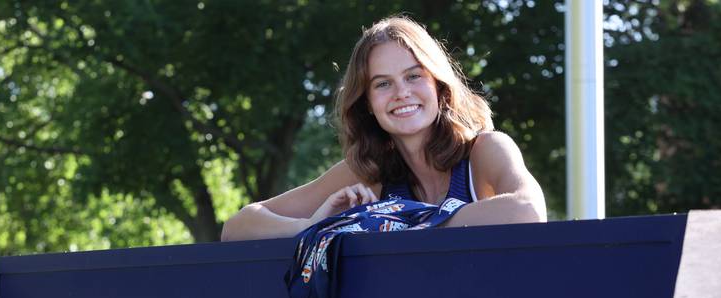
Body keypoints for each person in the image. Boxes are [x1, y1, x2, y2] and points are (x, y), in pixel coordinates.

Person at [221, 15, 546, 242]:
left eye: (414, 76)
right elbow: (238, 227)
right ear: (366, 104)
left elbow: (528, 210)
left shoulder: (484, 150)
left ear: (439, 85)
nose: (402, 92)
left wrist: (410, 222)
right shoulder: (366, 172)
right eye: (382, 84)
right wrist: (314, 225)